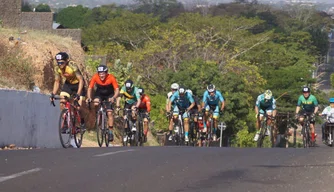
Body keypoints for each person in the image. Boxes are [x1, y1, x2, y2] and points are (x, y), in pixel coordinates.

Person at [50, 52, 86, 130]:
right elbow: (57, 82)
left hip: (78, 84)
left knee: (78, 107)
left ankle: (82, 122)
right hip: (68, 84)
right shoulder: (57, 68)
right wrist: (53, 94)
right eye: (58, 62)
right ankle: (66, 121)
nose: (60, 64)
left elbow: (81, 80)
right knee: (62, 101)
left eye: (62, 62)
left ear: (66, 61)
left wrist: (78, 94)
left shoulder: (72, 66)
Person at [86, 65, 119, 142]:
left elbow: (117, 90)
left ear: (106, 73)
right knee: (96, 103)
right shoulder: (95, 77)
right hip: (99, 94)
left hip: (109, 95)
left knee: (110, 113)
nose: (101, 75)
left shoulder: (111, 77)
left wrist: (113, 97)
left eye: (103, 73)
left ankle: (110, 131)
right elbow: (90, 88)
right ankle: (98, 116)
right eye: (100, 73)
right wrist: (89, 97)